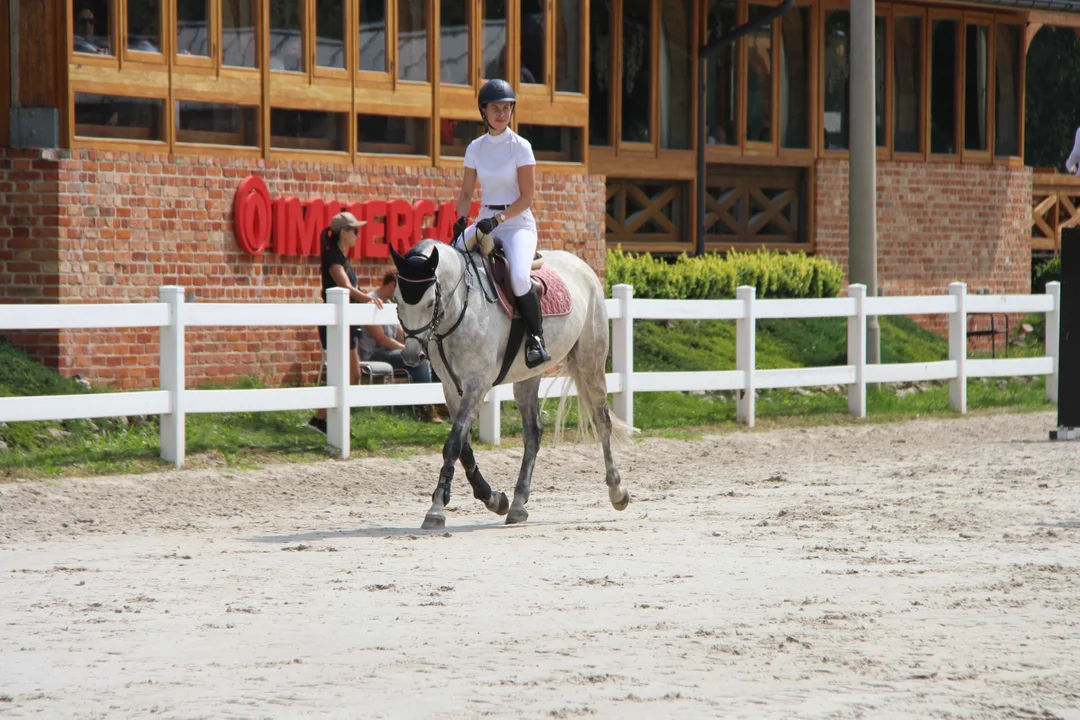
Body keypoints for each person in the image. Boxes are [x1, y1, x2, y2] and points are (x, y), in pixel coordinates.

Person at [452, 78, 551, 369]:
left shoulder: (521, 147)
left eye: (506, 108)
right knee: (452, 258)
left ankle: (536, 338)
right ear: (483, 111)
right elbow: (467, 192)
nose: (501, 114)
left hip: (517, 224)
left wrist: (497, 220)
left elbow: (527, 197)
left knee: (519, 277)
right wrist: (460, 220)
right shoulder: (475, 148)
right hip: (485, 221)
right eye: (495, 108)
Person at [307, 211, 384, 435]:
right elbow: (346, 288)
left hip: (347, 321)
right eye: (355, 231)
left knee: (350, 373)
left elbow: (352, 290)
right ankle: (331, 421)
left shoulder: (340, 257)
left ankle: (321, 419)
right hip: (336, 323)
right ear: (344, 233)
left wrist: (366, 298)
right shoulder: (332, 257)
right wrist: (369, 298)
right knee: (349, 373)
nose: (358, 236)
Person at [358, 269, 444, 424]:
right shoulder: (370, 301)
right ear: (392, 285)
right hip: (375, 353)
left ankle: (440, 402)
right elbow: (381, 340)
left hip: (390, 351)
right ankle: (426, 408)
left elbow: (399, 333)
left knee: (430, 355)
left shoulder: (391, 304)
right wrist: (406, 350)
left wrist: (416, 347)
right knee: (419, 360)